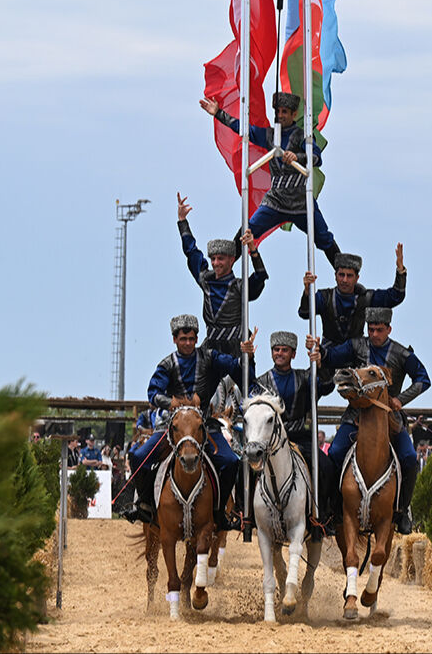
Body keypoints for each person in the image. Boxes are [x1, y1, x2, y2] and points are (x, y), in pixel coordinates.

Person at [122, 315, 255, 530]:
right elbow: (153, 393)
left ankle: (220, 512)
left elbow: (235, 367)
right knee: (138, 457)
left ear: (197, 339)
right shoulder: (166, 365)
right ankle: (145, 505)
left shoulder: (210, 357)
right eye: (183, 339)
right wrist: (170, 402)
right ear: (174, 339)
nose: (187, 343)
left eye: (191, 339)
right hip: (172, 426)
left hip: (204, 425)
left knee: (231, 461)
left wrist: (246, 356)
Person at [312, 307, 429, 534]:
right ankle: (334, 509)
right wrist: (320, 352)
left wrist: (401, 399)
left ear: (389, 329)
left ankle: (401, 511)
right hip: (356, 415)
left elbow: (423, 379)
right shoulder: (356, 346)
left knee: (409, 458)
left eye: (379, 330)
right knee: (334, 453)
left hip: (389, 418)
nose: (374, 334)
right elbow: (331, 356)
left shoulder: (402, 354)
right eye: (371, 329)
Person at [199, 91, 343, 268]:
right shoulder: (269, 135)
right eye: (278, 111)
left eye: (285, 112)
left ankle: (345, 278)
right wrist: (218, 113)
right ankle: (223, 274)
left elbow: (316, 158)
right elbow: (243, 129)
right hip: (276, 200)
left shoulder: (302, 136)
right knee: (247, 231)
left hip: (301, 201)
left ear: (294, 114)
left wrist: (298, 157)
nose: (280, 115)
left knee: (324, 238)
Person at [248, 330, 337, 532]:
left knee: (326, 466)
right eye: (276, 349)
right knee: (244, 467)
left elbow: (327, 386)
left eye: (284, 350)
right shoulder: (261, 382)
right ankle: (245, 514)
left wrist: (320, 364)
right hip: (269, 441)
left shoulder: (305, 377)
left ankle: (324, 515)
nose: (279, 353)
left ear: (293, 354)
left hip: (299, 438)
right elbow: (249, 404)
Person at [176, 193, 267, 355]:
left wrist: (253, 250)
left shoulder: (239, 287)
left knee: (245, 371)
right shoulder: (206, 280)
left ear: (232, 260)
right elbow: (191, 252)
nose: (216, 263)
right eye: (213, 259)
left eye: (221, 259)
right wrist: (183, 221)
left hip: (235, 348)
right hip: (211, 348)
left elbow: (260, 276)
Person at [298, 245, 406, 346]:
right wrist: (307, 291)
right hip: (328, 353)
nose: (344, 280)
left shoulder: (365, 298)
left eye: (349, 276)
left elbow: (395, 296)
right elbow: (304, 312)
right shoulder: (325, 297)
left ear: (357, 278)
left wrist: (400, 270)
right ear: (335, 276)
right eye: (341, 275)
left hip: (356, 354)